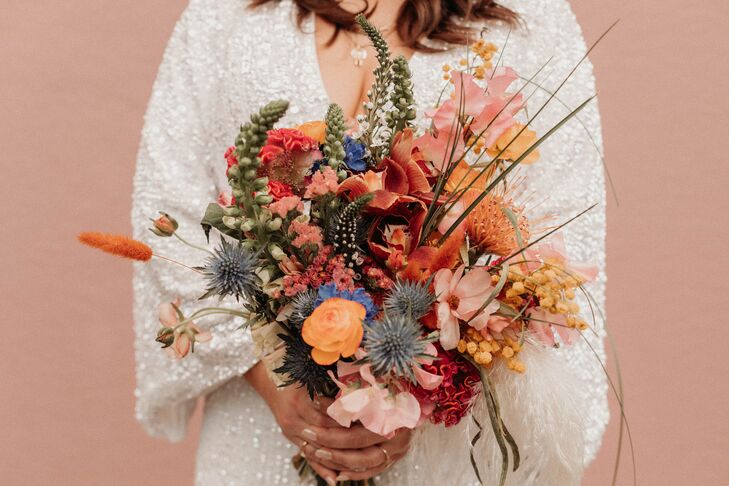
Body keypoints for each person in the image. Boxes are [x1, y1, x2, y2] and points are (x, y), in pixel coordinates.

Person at [131, 0, 608, 484]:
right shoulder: (222, 14)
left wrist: (408, 394)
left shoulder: (532, 16)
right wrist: (272, 377)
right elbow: (168, 208)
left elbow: (563, 238)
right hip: (262, 437)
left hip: (444, 447)